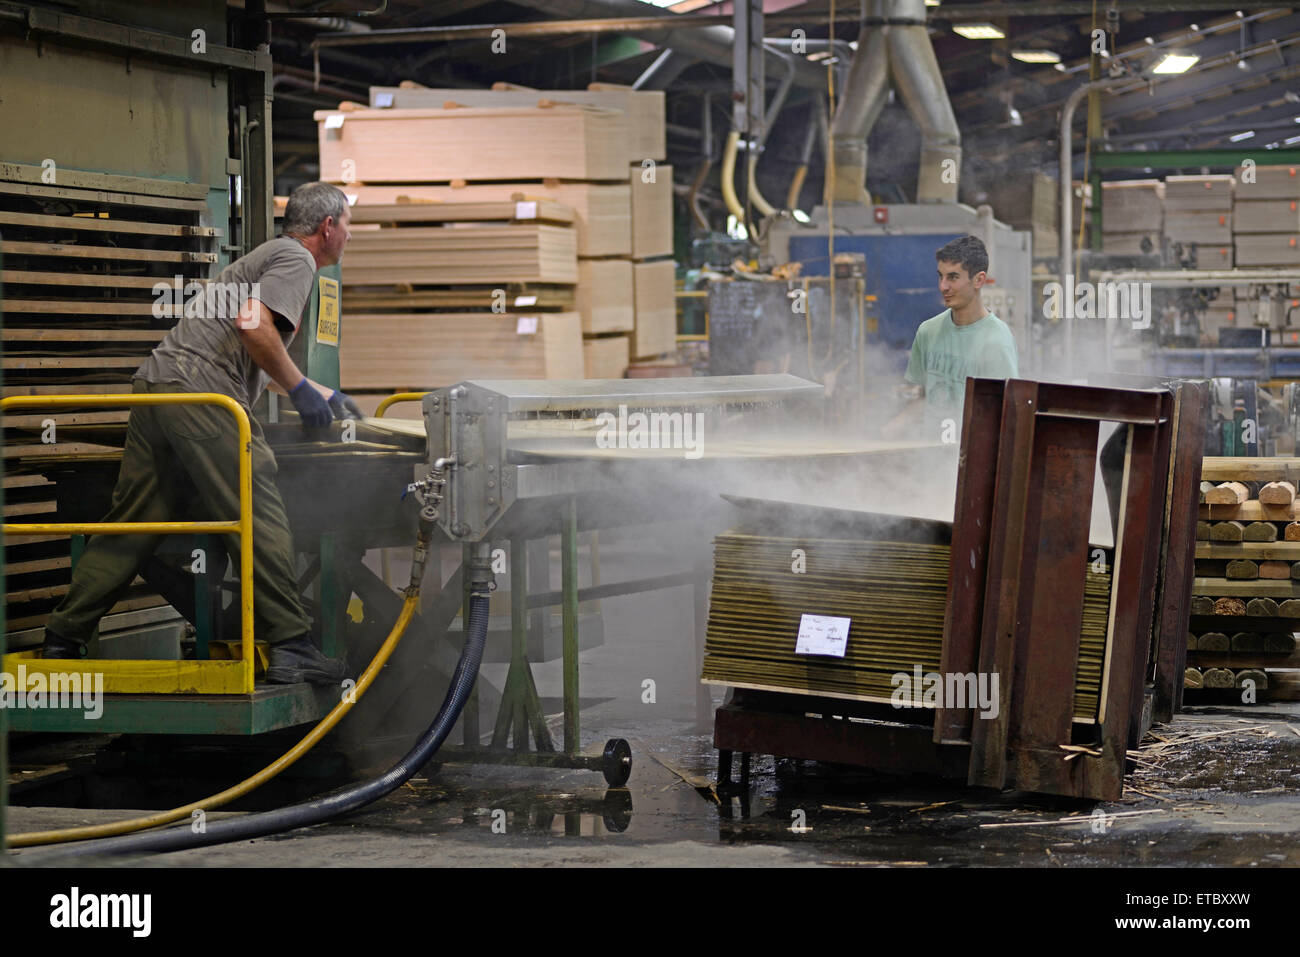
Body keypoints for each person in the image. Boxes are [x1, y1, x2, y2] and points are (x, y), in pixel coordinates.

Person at [41, 182, 362, 686]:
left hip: (159, 385)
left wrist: (320, 393)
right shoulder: (297, 261)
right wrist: (298, 389)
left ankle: (63, 636)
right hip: (200, 392)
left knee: (136, 521)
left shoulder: (266, 255)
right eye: (347, 225)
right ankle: (292, 645)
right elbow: (254, 327)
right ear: (327, 228)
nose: (348, 235)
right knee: (255, 504)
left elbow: (253, 343)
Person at [886, 235, 1019, 438]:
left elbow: (1004, 417)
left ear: (979, 280)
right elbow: (924, 398)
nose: (943, 286)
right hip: (930, 458)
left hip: (971, 461)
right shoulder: (928, 331)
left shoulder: (996, 342)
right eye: (941, 276)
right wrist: (888, 431)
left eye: (953, 277)